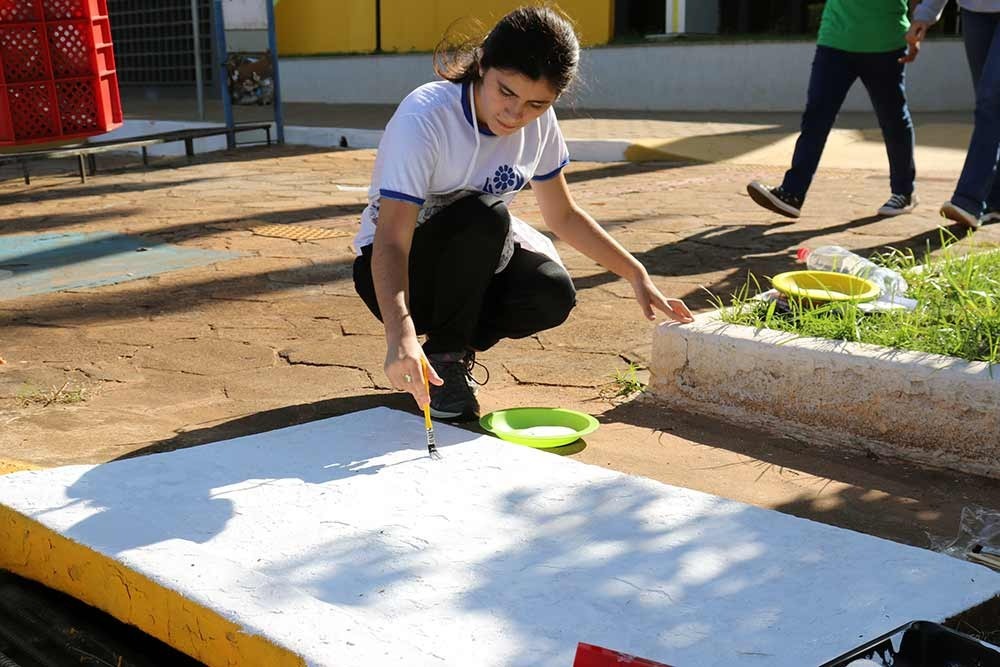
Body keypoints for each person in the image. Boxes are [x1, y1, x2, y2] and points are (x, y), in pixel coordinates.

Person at [352, 6, 693, 422]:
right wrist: (399, 333)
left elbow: (563, 214)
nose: (515, 115)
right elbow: (390, 238)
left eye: (536, 103)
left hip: (468, 268)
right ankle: (442, 353)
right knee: (485, 214)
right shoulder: (426, 118)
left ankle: (449, 353)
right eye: (506, 92)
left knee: (551, 292)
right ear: (481, 64)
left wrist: (635, 272)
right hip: (393, 274)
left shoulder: (539, 123)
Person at [747, 0, 918, 219]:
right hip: (835, 39)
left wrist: (917, 26)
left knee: (893, 118)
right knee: (816, 116)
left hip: (885, 42)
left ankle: (903, 192)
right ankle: (792, 193)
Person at [906, 0, 1000, 229]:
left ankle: (969, 199)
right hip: (974, 11)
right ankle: (994, 199)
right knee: (990, 107)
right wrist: (925, 13)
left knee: (991, 100)